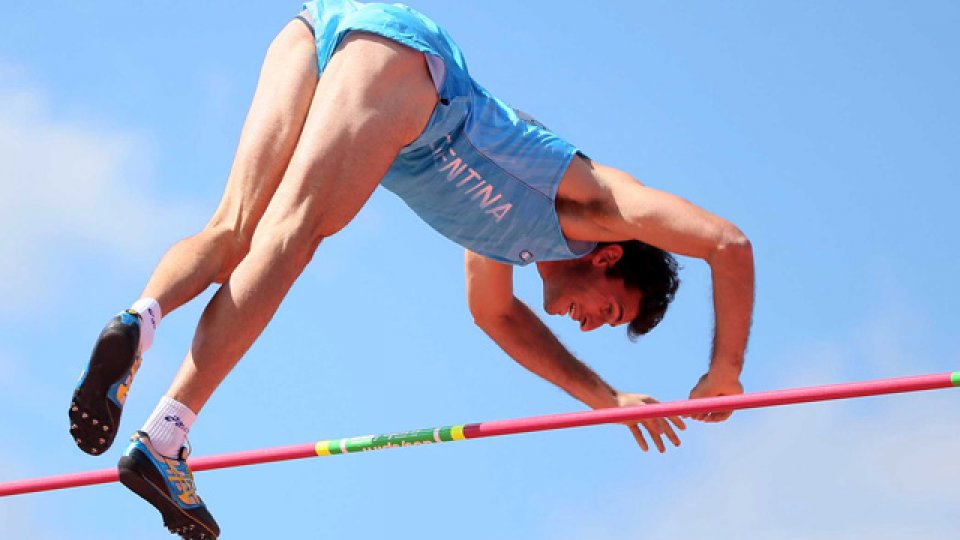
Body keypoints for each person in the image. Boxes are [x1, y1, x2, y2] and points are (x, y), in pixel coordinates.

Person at [67, 0, 754, 538]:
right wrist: (724, 371)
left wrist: (604, 399)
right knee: (293, 233)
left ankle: (140, 320)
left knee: (234, 231)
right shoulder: (597, 202)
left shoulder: (504, 242)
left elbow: (495, 314)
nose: (592, 324)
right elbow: (727, 244)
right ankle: (166, 436)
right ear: (609, 257)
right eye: (612, 309)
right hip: (404, 63)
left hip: (324, 27)